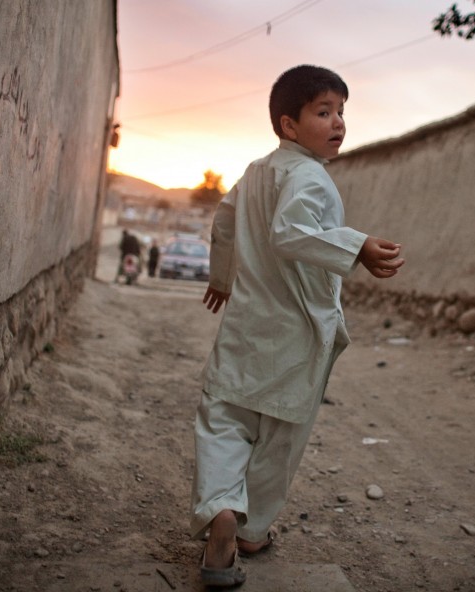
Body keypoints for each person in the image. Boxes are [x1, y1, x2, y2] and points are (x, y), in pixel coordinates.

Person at [192, 64, 405, 587]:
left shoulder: (256, 172)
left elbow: (224, 221)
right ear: (289, 124)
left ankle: (221, 510)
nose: (338, 122)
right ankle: (250, 532)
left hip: (246, 325)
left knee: (225, 419)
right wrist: (356, 245)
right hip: (297, 331)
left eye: (341, 112)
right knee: (279, 436)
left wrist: (222, 277)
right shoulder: (310, 176)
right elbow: (289, 233)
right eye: (324, 112)